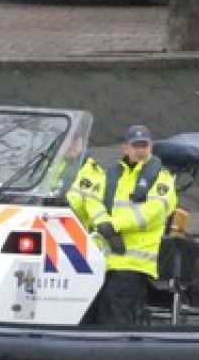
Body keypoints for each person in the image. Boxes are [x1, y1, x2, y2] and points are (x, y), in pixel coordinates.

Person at [67, 124, 177, 327]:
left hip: (133, 262)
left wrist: (113, 225)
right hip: (104, 258)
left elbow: (153, 211)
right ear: (125, 148)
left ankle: (115, 346)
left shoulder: (162, 179)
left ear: (151, 147)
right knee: (89, 311)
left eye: (144, 145)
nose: (140, 150)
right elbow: (92, 200)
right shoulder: (111, 175)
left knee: (116, 309)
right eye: (135, 146)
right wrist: (103, 224)